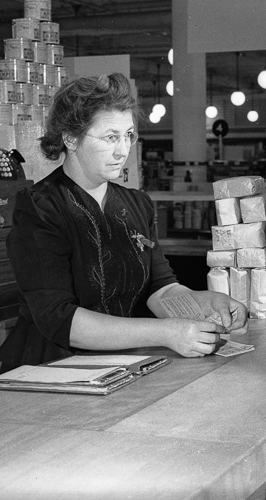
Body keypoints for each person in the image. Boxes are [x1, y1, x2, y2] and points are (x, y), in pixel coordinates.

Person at [0, 73, 247, 373]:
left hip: (118, 367)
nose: (123, 150)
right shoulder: (40, 209)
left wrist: (207, 303)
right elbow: (59, 318)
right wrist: (167, 333)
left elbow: (161, 289)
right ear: (70, 138)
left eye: (128, 135)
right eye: (110, 137)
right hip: (49, 371)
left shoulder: (136, 204)